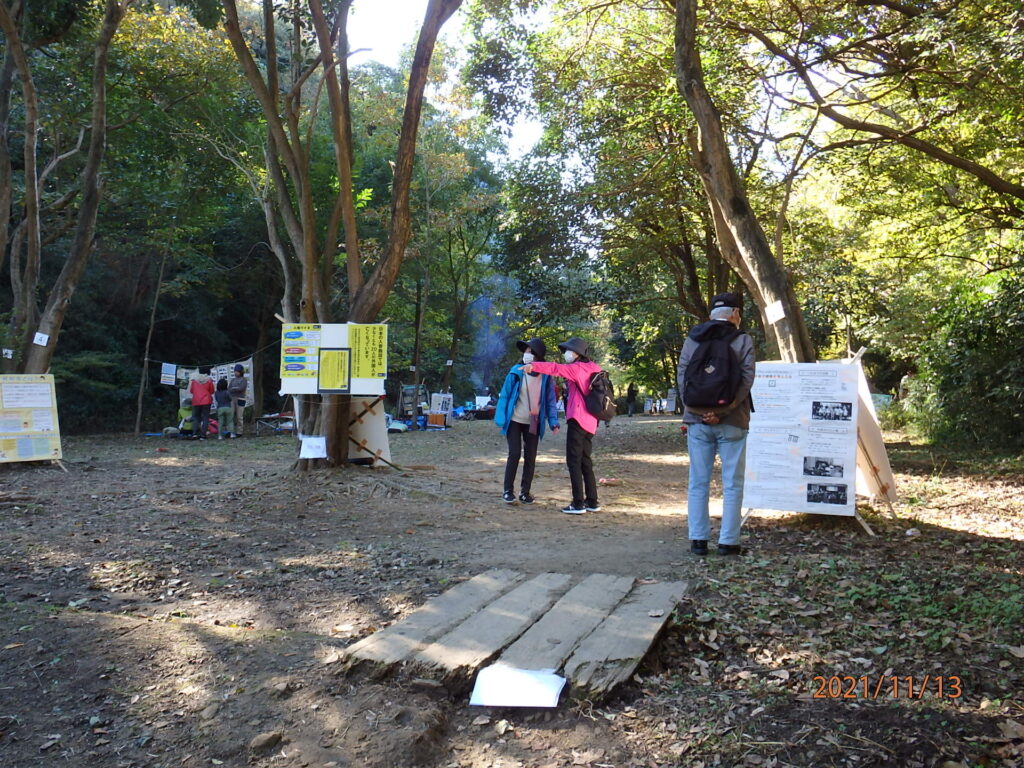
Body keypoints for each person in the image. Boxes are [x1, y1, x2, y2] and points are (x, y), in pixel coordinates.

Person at [677, 292, 756, 556]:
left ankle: (698, 541)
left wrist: (698, 411)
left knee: (698, 481)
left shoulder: (693, 339)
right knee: (732, 482)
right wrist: (723, 411)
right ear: (735, 313)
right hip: (733, 421)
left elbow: (682, 378)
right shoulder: (742, 340)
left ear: (711, 314)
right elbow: (746, 380)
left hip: (697, 421)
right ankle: (728, 542)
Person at [522, 337, 603, 515]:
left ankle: (578, 503)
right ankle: (592, 501)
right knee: (585, 461)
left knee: (573, 461)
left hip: (577, 418)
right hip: (591, 420)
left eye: (569, 350)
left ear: (577, 353)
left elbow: (555, 368)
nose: (566, 353)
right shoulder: (595, 367)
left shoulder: (577, 368)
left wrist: (534, 366)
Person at [494, 338, 561, 505]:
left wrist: (553, 421)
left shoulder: (546, 376)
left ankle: (525, 492)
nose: (527, 354)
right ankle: (508, 491)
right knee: (514, 453)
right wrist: (500, 416)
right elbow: (505, 395)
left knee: (530, 456)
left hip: (534, 421)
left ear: (538, 356)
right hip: (515, 420)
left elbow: (550, 401)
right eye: (526, 351)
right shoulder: (516, 372)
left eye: (531, 352)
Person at [188, 366, 215, 440]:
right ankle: (203, 435)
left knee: (196, 417)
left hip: (196, 400)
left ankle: (195, 434)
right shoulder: (209, 380)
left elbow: (191, 391)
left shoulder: (194, 380)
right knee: (205, 418)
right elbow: (212, 391)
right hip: (206, 401)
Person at [227, 363, 249, 437]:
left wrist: (234, 389)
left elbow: (241, 388)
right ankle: (230, 431)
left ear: (241, 372)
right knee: (230, 415)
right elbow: (229, 389)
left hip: (241, 399)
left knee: (239, 416)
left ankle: (239, 431)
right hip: (232, 399)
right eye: (235, 371)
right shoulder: (233, 380)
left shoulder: (244, 380)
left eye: (237, 371)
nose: (235, 373)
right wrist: (235, 389)